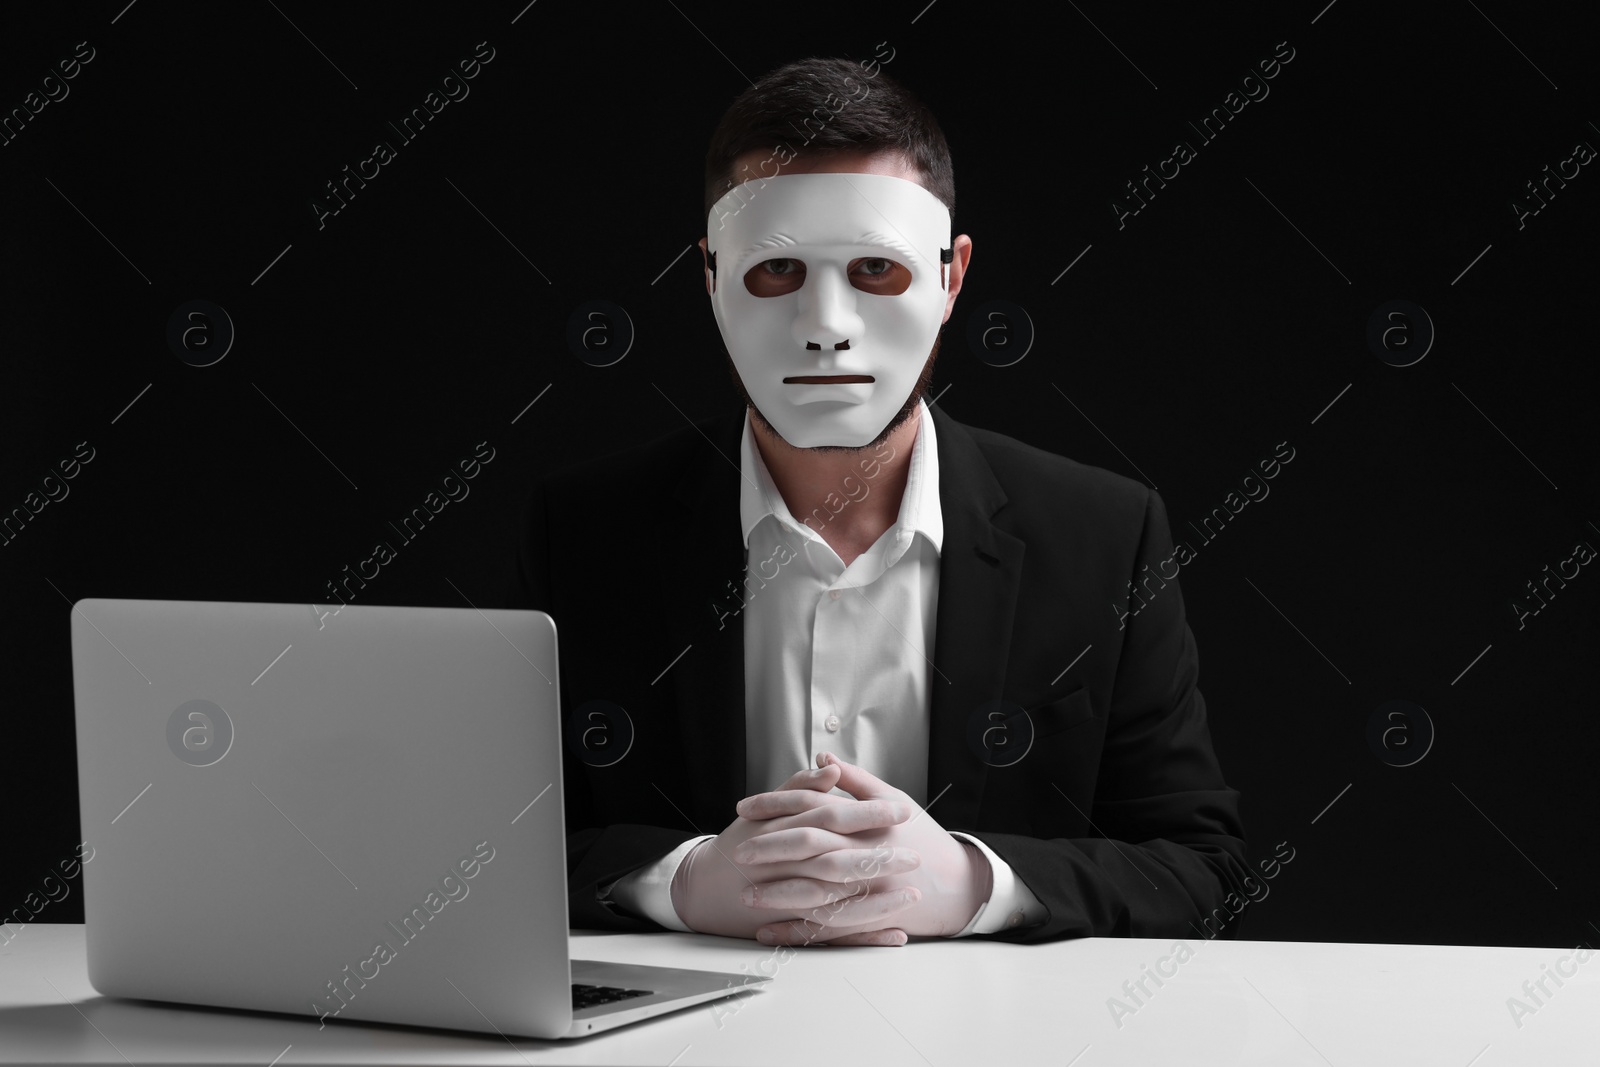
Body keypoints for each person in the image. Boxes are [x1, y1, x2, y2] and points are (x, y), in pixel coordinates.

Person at [503, 56, 1249, 947]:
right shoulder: (588, 534)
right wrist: (680, 880)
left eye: (875, 270)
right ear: (709, 277)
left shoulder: (1099, 536)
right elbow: (485, 851)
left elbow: (1200, 868)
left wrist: (976, 882)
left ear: (952, 279)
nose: (827, 323)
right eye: (775, 269)